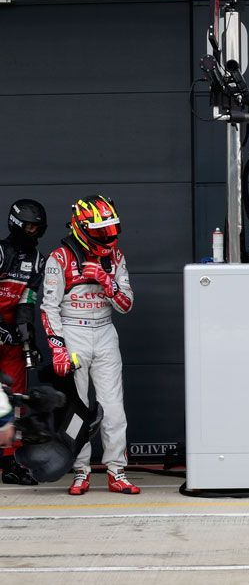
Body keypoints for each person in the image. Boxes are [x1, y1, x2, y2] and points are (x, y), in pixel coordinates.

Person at [41, 195, 139, 495]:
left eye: (111, 230)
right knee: (78, 409)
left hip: (106, 332)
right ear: (81, 228)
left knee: (113, 409)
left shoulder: (116, 257)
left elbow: (126, 304)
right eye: (100, 232)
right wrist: (58, 347)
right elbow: (48, 308)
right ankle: (80, 472)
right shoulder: (59, 257)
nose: (108, 238)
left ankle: (116, 471)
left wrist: (107, 283)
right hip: (73, 333)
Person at [0, 199, 47, 485]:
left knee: (16, 398)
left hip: (12, 338)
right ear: (16, 224)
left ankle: (11, 465)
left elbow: (27, 300)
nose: (34, 232)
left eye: (37, 228)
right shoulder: (1, 252)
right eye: (29, 226)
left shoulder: (37, 260)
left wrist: (28, 338)